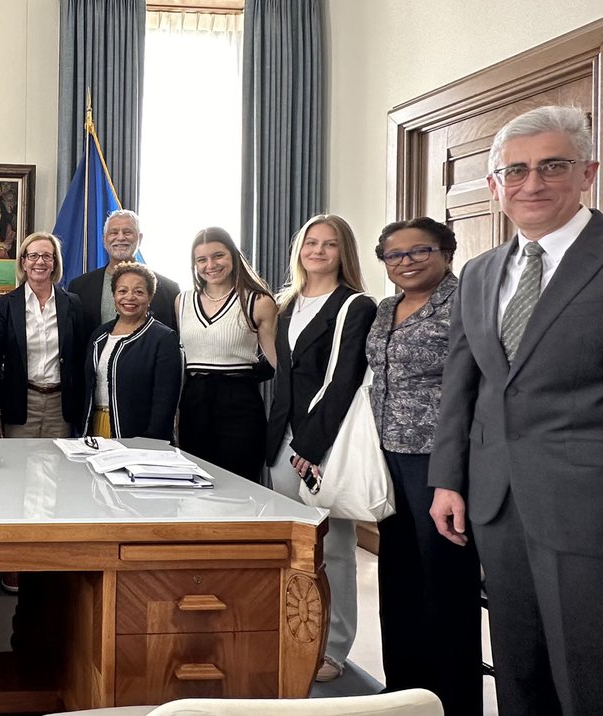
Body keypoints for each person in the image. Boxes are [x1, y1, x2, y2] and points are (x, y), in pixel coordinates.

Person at [429, 105, 603, 715]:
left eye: (552, 166)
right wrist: (449, 479)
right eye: (516, 171)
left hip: (587, 506)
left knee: (588, 672)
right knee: (518, 669)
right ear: (497, 186)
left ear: (587, 172)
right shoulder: (478, 273)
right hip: (496, 502)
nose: (533, 184)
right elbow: (462, 385)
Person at [366, 218, 481, 713]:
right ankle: (404, 694)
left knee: (444, 585)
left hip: (441, 459)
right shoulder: (386, 307)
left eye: (419, 251)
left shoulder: (464, 302)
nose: (406, 261)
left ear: (446, 252)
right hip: (387, 455)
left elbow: (475, 382)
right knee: (399, 581)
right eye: (394, 255)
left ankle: (453, 700)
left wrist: (451, 473)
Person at [265, 214, 376, 683]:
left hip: (322, 443)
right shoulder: (286, 303)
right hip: (281, 440)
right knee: (290, 548)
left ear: (342, 252)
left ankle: (332, 647)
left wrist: (311, 444)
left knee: (334, 550)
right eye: (311, 242)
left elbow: (346, 379)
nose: (318, 250)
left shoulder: (356, 305)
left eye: (330, 244)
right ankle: (292, 633)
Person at [175, 227, 277, 481]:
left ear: (232, 256)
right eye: (202, 259)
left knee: (240, 482)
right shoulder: (182, 301)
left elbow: (277, 361)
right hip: (194, 401)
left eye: (218, 256)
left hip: (239, 403)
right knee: (195, 482)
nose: (211, 265)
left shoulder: (258, 301)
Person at [0, 232, 86, 438]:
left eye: (46, 256)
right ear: (23, 262)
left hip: (60, 406)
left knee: (59, 467)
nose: (39, 262)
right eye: (33, 256)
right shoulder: (5, 305)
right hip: (20, 403)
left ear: (54, 263)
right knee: (18, 467)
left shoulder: (73, 303)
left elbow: (80, 358)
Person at [82, 262, 182, 440]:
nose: (130, 297)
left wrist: (151, 441)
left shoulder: (163, 338)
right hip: (95, 428)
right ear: (113, 295)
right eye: (122, 291)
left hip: (137, 435)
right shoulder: (99, 336)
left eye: (139, 292)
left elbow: (165, 402)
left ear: (150, 297)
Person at [68, 209, 179, 334]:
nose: (120, 237)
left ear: (140, 238)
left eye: (127, 232)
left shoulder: (169, 290)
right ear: (104, 240)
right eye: (113, 232)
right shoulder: (79, 287)